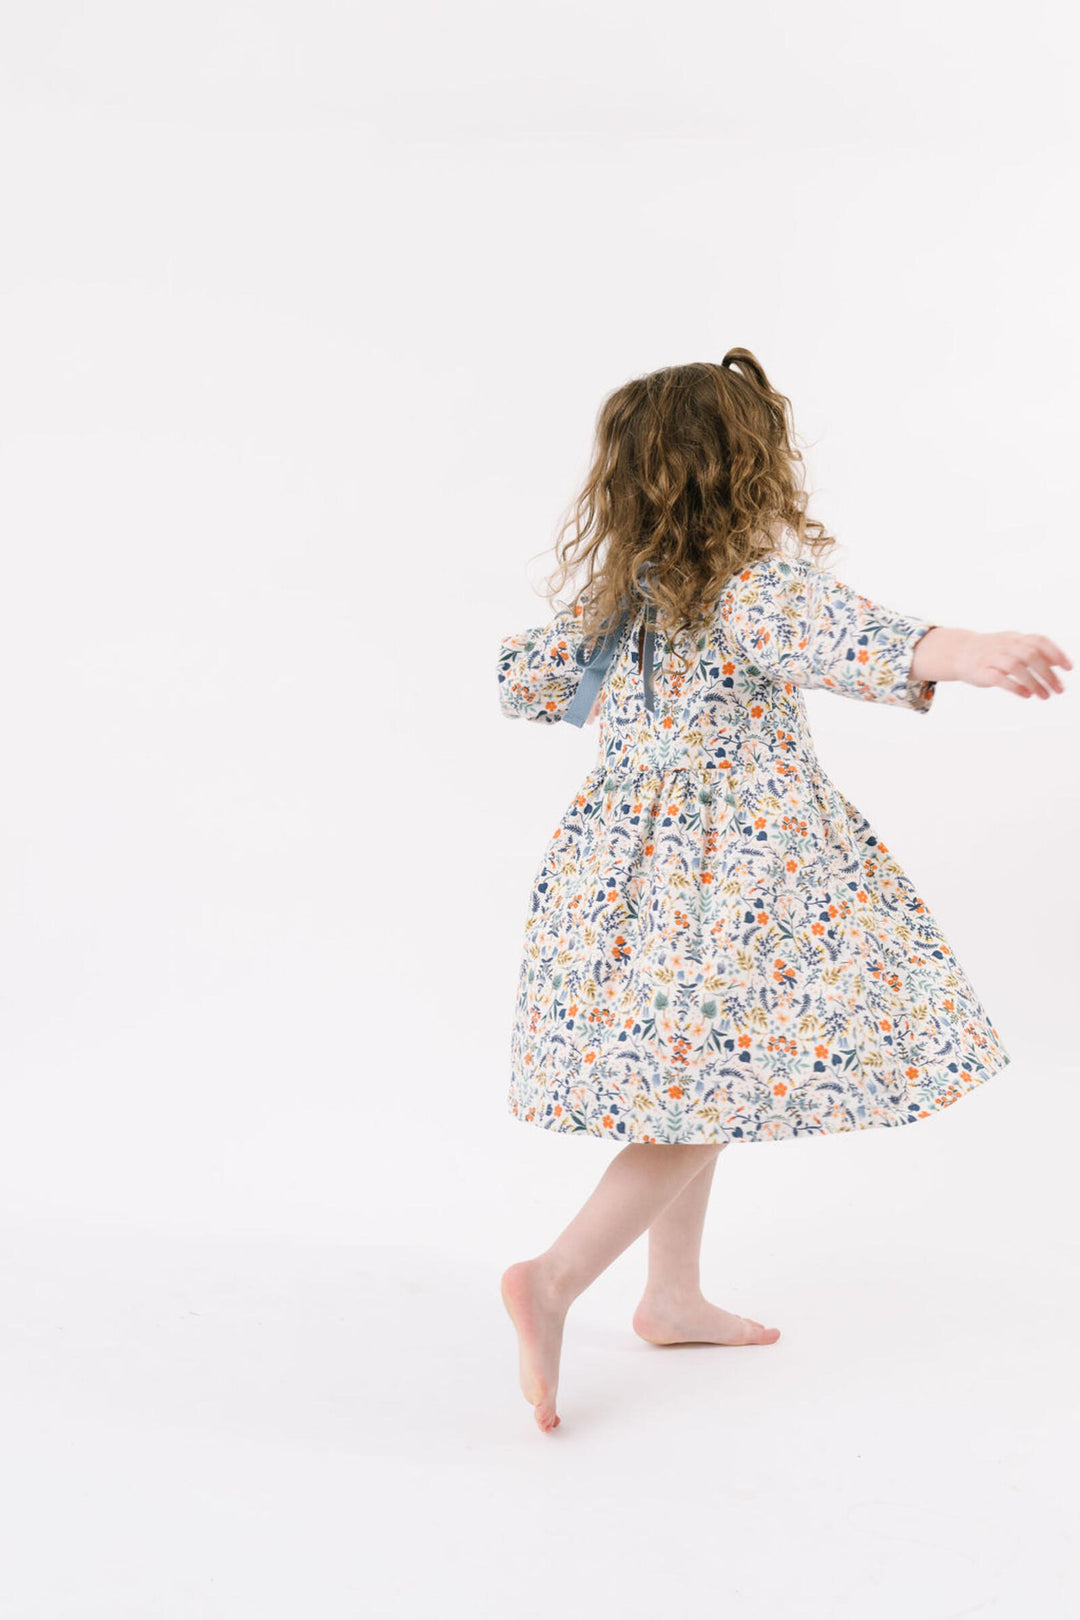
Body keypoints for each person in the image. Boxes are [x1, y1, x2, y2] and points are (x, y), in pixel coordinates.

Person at [494, 349, 1070, 1434]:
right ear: (753, 470)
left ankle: (670, 1297)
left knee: (699, 1079)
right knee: (710, 1085)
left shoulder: (625, 599)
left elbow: (527, 678)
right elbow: (858, 639)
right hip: (735, 874)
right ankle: (559, 1274)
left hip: (624, 869)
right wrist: (970, 650)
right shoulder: (751, 589)